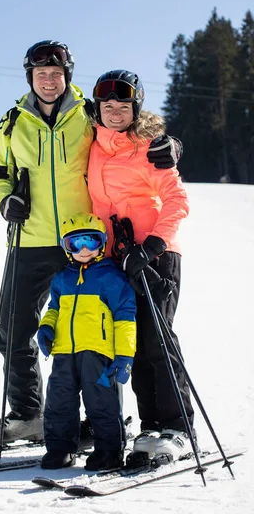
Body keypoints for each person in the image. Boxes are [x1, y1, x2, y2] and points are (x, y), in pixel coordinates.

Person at [0, 41, 182, 444]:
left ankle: (107, 418)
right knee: (12, 328)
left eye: (57, 73)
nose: (49, 80)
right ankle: (29, 415)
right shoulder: (11, 122)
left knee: (102, 330)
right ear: (30, 77)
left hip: (86, 242)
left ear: (67, 76)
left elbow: (133, 131)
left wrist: (173, 144)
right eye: (41, 74)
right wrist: (6, 200)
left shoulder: (88, 114)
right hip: (31, 238)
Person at [87, 69, 195, 463]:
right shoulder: (94, 143)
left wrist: (150, 247)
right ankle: (151, 427)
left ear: (136, 108)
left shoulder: (150, 146)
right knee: (131, 343)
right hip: (115, 258)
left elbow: (177, 201)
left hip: (156, 255)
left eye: (124, 106)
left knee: (157, 341)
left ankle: (179, 428)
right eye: (108, 105)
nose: (115, 112)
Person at [37, 213, 136, 470]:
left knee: (100, 400)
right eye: (75, 243)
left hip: (98, 352)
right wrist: (46, 327)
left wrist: (125, 356)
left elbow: (125, 319)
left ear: (101, 244)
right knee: (60, 399)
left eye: (90, 242)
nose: (83, 250)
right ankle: (60, 449)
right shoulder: (62, 278)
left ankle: (109, 451)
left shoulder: (112, 278)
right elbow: (54, 308)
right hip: (64, 352)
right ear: (66, 247)